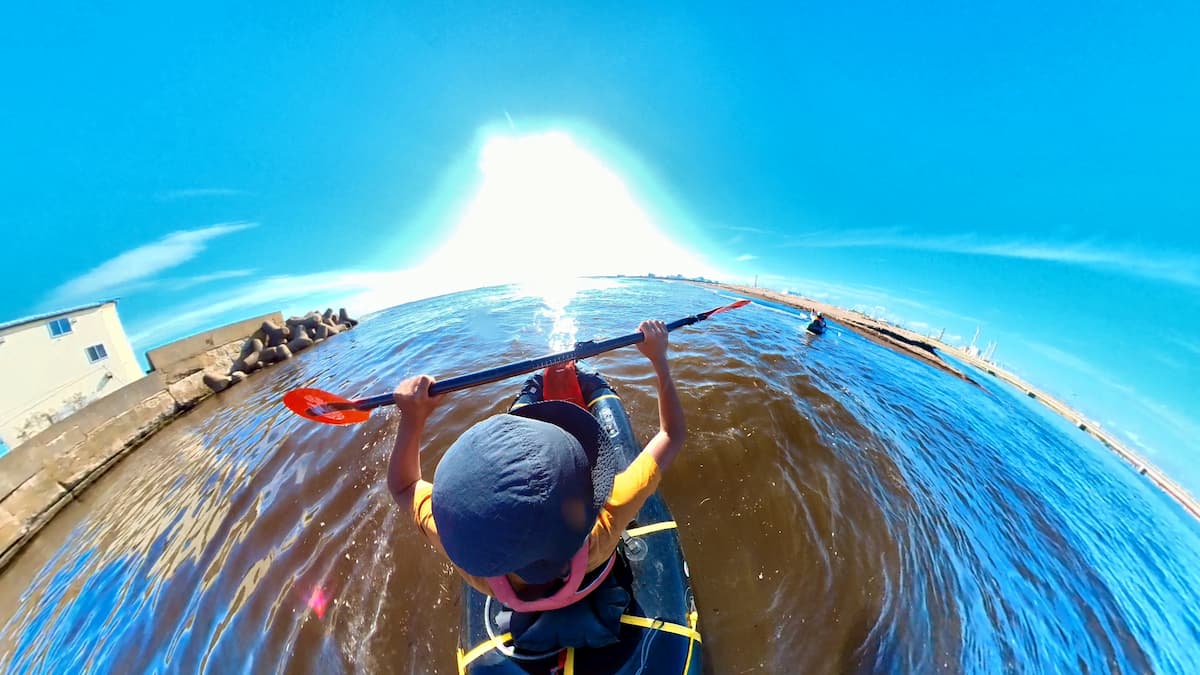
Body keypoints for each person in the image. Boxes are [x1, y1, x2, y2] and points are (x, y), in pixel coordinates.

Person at [386, 319, 687, 614]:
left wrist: (412, 419)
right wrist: (659, 360)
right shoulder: (605, 524)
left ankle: (537, 381)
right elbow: (671, 435)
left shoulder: (470, 557)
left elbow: (403, 486)